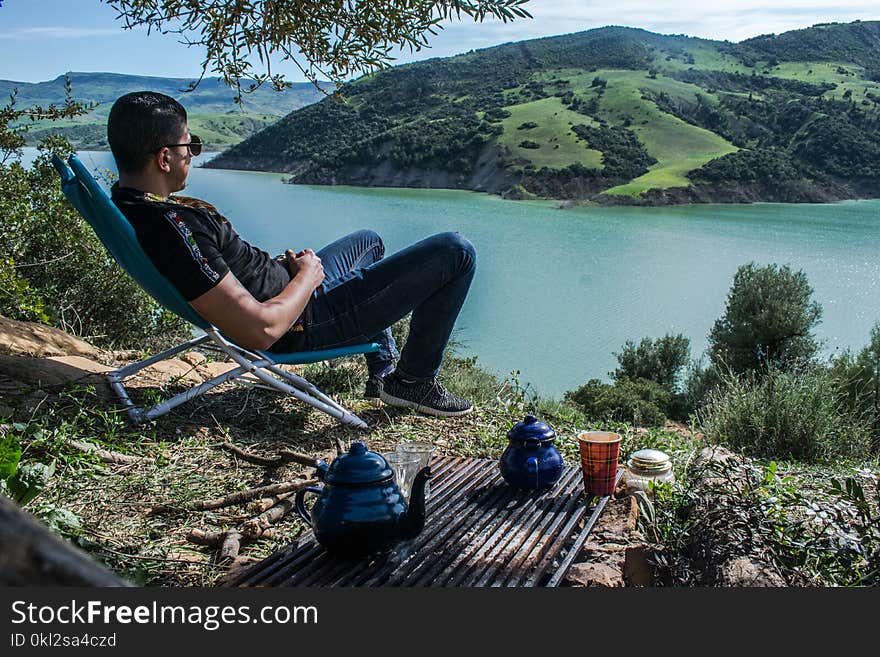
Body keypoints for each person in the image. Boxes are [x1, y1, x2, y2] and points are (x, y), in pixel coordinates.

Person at [106, 91, 476, 417]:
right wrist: (306, 277)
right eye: (191, 147)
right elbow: (262, 330)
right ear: (165, 158)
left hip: (292, 290)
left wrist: (284, 269)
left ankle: (382, 373)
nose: (194, 155)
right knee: (455, 251)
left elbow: (227, 273)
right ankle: (411, 381)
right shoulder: (175, 230)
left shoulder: (132, 204)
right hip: (304, 319)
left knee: (369, 241)